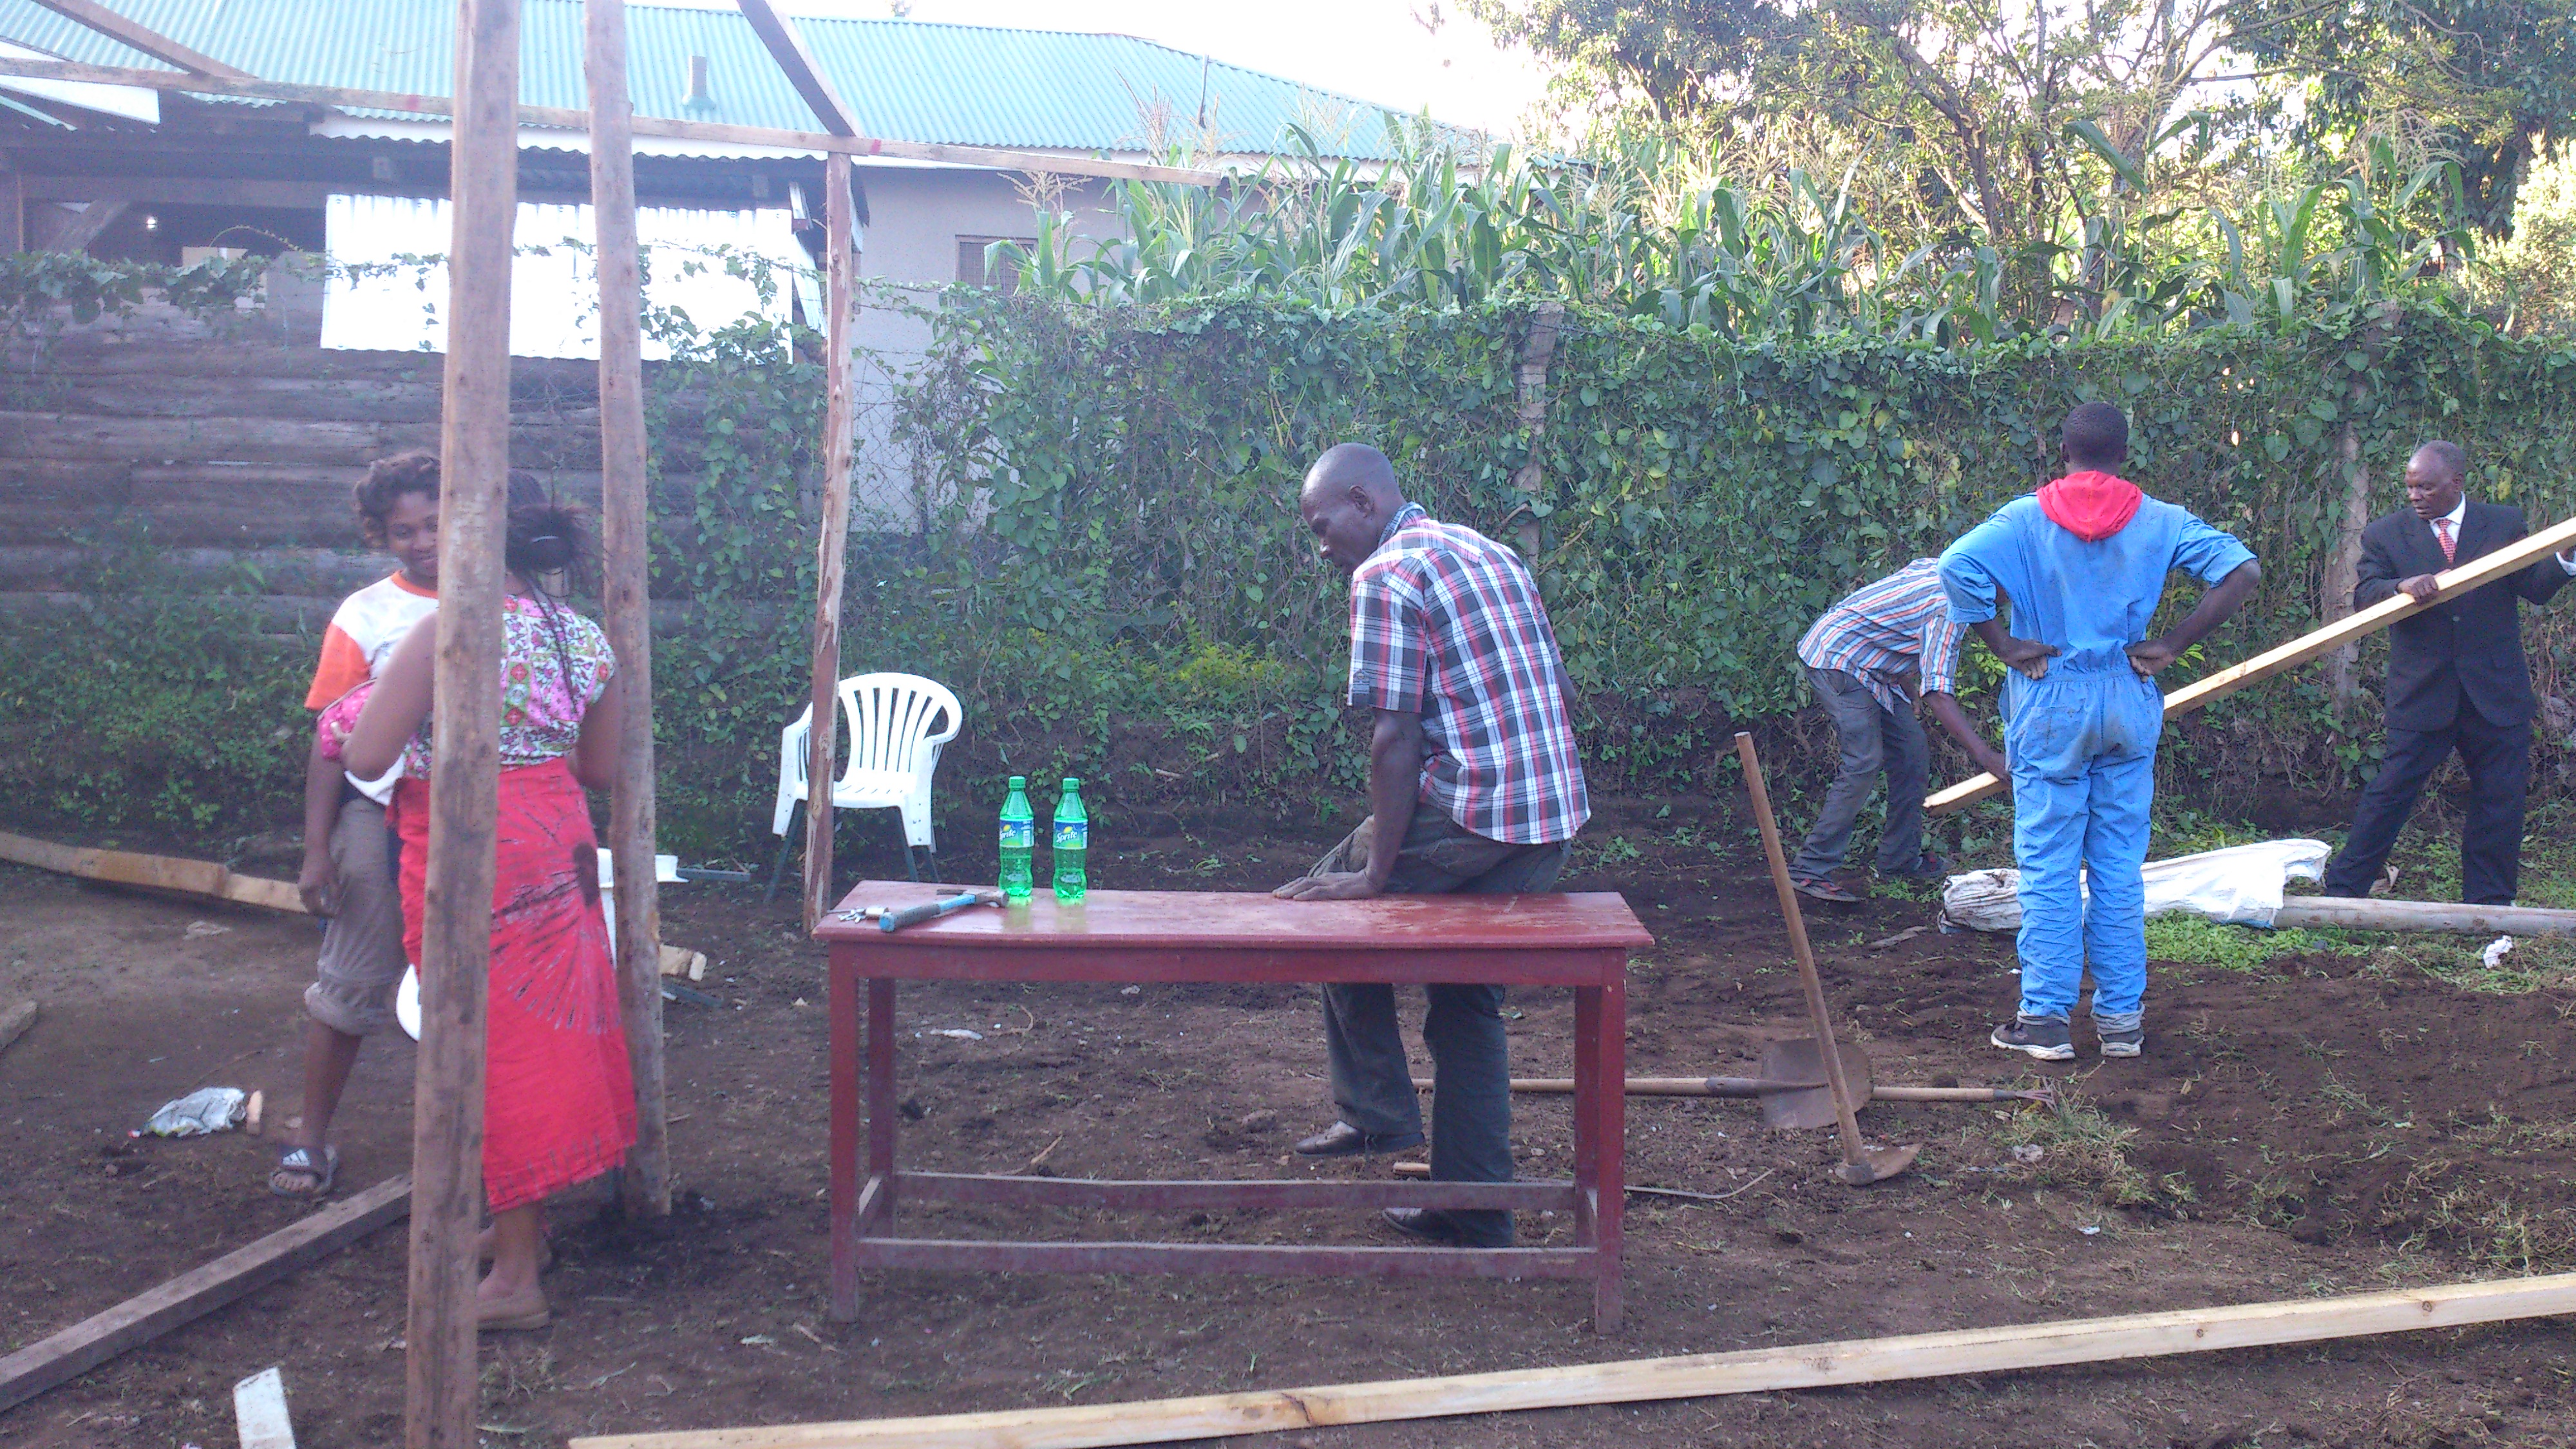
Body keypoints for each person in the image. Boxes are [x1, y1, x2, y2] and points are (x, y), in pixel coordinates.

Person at [1272, 443, 1589, 1251]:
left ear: (1362, 503)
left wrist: (1375, 876)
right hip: (1551, 812)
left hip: (1480, 813)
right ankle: (1474, 1210)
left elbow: (1394, 737)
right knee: (1464, 1001)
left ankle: (1377, 1117)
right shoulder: (1488, 549)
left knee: (1326, 904)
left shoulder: (1383, 575)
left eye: (1321, 525)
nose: (1320, 544)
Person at [341, 480, 633, 1332]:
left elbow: (365, 752)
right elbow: (602, 770)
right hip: (558, 838)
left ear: (472, 545)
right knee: (539, 1039)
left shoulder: (446, 630)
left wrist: (375, 701)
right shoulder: (582, 638)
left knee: (493, 1046)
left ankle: (515, 1277)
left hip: (472, 841)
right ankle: (520, 1237)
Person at [1939, 403, 2260, 1063]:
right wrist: (2171, 642)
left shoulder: (2024, 519)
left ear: (2062, 450)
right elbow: (2243, 571)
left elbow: (1955, 566)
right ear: (2123, 453)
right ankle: (2120, 1023)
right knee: (2117, 865)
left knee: (2050, 866)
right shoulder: (2162, 520)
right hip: (2126, 690)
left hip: (2049, 690)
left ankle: (2046, 1021)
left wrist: (1999, 641)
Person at [269, 451, 442, 1200]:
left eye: (436, 522)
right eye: (403, 529)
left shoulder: (509, 602)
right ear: (382, 535)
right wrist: (317, 851)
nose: (423, 540)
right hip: (379, 812)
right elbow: (331, 741)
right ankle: (311, 1138)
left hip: (483, 817)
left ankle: (483, 1157)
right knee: (351, 977)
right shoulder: (365, 614)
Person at [2318, 441, 2576, 905]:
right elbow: (2365, 595)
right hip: (2423, 693)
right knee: (2388, 796)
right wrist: (2400, 586)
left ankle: (2489, 906)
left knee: (2499, 803)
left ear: (2456, 483)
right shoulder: (2386, 535)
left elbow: (2533, 589)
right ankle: (2344, 894)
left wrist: (2563, 559)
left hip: (2495, 694)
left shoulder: (2501, 523)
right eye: (2410, 487)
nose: (2415, 496)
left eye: (2426, 487)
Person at [1789, 559, 2011, 902]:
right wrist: (1986, 756)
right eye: (2003, 600)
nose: (2002, 608)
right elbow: (1937, 694)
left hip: (1874, 668)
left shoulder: (1951, 568)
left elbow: (1893, 621)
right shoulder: (1949, 609)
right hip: (1837, 657)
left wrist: (1904, 678)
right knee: (1863, 761)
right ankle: (1810, 869)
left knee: (1911, 753)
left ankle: (1899, 860)